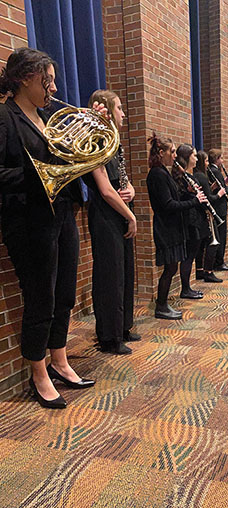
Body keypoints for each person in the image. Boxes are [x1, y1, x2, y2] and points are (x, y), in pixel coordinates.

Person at [0, 47, 95, 409]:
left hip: (62, 213)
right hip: (27, 221)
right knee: (41, 297)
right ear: (26, 78)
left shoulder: (50, 115)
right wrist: (36, 173)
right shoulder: (5, 117)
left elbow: (76, 158)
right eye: (47, 80)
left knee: (65, 293)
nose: (53, 88)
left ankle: (60, 361)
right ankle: (38, 373)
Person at [85, 89, 139, 355]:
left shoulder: (115, 141)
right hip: (105, 214)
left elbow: (122, 182)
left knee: (126, 271)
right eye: (119, 108)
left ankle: (123, 327)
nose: (123, 114)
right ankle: (109, 336)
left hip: (118, 211)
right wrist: (130, 215)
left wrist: (132, 191)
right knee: (110, 275)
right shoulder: (96, 140)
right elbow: (105, 190)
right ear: (105, 109)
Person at [146, 134, 207, 319]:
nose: (174, 155)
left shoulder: (163, 172)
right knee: (170, 268)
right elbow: (168, 205)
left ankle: (163, 305)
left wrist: (189, 195)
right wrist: (195, 201)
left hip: (171, 227)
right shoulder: (157, 174)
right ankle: (161, 306)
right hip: (166, 228)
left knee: (172, 268)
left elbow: (175, 199)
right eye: (172, 151)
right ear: (161, 153)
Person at [170, 143, 206, 298]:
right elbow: (180, 198)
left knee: (192, 255)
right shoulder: (181, 176)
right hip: (189, 220)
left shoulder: (189, 176)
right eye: (194, 155)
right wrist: (194, 196)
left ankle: (187, 288)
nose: (196, 158)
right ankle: (185, 289)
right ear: (186, 157)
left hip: (195, 218)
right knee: (189, 256)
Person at [193, 150, 224, 283]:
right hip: (206, 214)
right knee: (213, 243)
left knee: (200, 245)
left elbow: (205, 193)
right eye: (205, 161)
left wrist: (210, 188)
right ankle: (209, 272)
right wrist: (220, 193)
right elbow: (209, 199)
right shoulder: (202, 176)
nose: (207, 164)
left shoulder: (196, 175)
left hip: (198, 215)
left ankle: (199, 270)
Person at [207, 149, 228, 271]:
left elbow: (216, 186)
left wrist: (223, 183)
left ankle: (217, 262)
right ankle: (220, 262)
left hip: (216, 207)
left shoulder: (209, 170)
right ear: (217, 159)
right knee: (221, 237)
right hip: (219, 208)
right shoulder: (216, 171)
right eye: (221, 158)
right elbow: (223, 191)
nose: (222, 161)